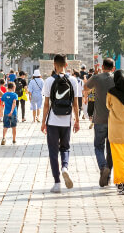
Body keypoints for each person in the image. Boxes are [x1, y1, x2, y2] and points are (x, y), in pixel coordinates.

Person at [41, 54, 82, 193]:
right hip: (67, 120)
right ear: (66, 65)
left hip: (53, 120)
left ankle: (57, 182)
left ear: (54, 64)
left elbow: (46, 104)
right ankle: (65, 167)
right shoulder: (73, 80)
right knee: (65, 148)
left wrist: (43, 122)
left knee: (53, 151)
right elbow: (76, 104)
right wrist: (77, 120)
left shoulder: (49, 81)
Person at [85, 57, 115, 187]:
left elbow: (86, 87)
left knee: (98, 146)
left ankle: (103, 167)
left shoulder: (97, 78)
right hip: (114, 119)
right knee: (111, 148)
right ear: (113, 68)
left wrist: (94, 74)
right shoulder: (116, 79)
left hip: (99, 118)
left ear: (102, 67)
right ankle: (107, 176)